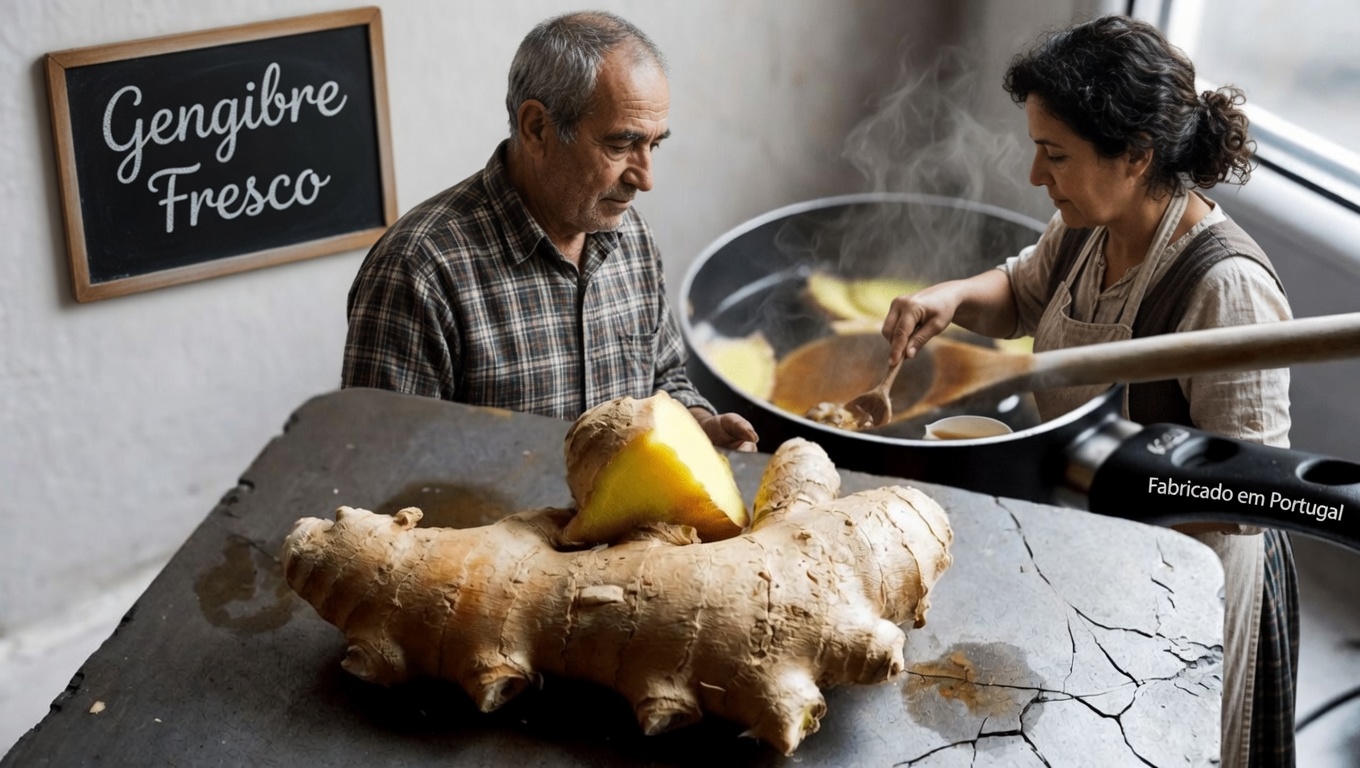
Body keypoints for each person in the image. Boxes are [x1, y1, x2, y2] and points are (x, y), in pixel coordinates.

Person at [880, 16, 1297, 768]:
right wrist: (949, 298)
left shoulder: (1223, 286)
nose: (1037, 176)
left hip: (1186, 591)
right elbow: (1018, 294)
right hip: (1093, 553)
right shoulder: (1085, 226)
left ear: (1135, 156)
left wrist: (1105, 500)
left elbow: (1250, 497)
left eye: (1054, 156)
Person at [341, 11, 757, 451]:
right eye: (620, 145)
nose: (645, 178)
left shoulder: (631, 236)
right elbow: (379, 473)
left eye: (653, 145)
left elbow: (665, 379)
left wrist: (698, 427)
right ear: (537, 128)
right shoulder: (418, 271)